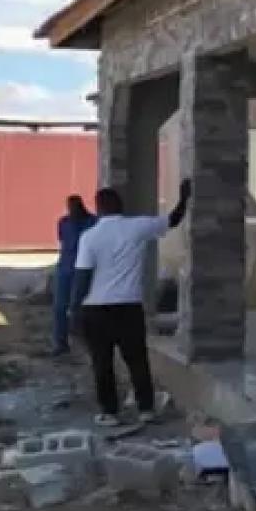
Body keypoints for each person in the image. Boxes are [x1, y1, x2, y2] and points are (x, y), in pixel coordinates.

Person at [71, 180, 190, 426]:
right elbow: (173, 220)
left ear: (98, 208)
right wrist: (184, 198)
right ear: (121, 206)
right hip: (129, 308)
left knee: (102, 363)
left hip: (96, 310)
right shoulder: (137, 227)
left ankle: (110, 413)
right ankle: (146, 409)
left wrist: (73, 310)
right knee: (137, 360)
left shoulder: (89, 237)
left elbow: (82, 277)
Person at [50, 195, 96, 355]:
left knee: (84, 307)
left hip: (84, 268)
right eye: (70, 207)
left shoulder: (93, 222)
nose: (72, 210)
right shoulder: (64, 222)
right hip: (66, 267)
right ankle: (60, 343)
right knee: (60, 307)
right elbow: (62, 241)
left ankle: (86, 341)